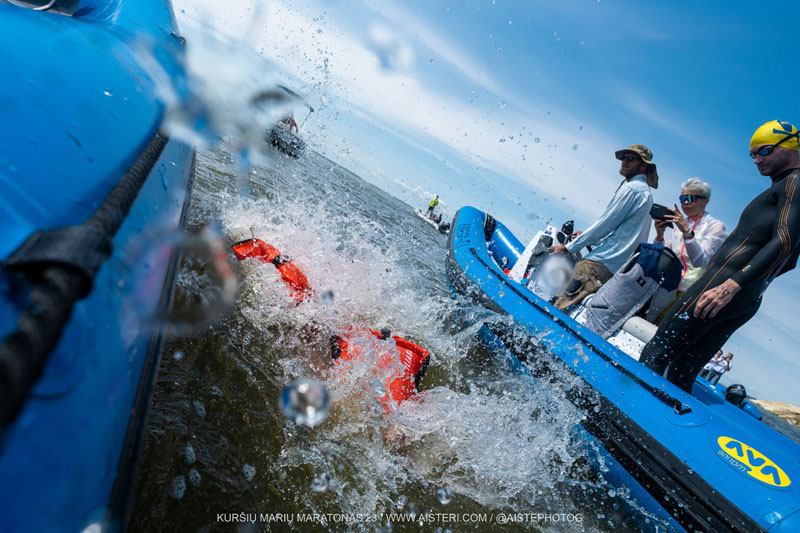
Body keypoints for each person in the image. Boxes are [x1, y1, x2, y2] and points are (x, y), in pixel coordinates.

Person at [641, 120, 800, 392]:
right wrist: (752, 286)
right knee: (682, 371)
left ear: (792, 145)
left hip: (722, 287)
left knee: (657, 353)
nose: (756, 160)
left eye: (765, 151)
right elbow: (791, 260)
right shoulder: (784, 189)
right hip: (746, 296)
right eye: (753, 154)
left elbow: (784, 241)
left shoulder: (794, 182)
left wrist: (731, 284)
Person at [550, 144, 657, 311]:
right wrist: (585, 235)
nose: (624, 162)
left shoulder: (631, 189)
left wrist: (567, 248)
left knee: (557, 308)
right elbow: (623, 236)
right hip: (616, 271)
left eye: (630, 159)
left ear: (643, 166)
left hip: (599, 264)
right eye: (623, 158)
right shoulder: (647, 196)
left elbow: (606, 224)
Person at [647, 178, 727, 320]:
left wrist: (686, 231)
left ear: (706, 201)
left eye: (692, 198)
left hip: (690, 293)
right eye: (683, 198)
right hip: (667, 287)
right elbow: (664, 256)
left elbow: (701, 261)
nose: (686, 202)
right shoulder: (681, 224)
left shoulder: (715, 226)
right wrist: (659, 235)